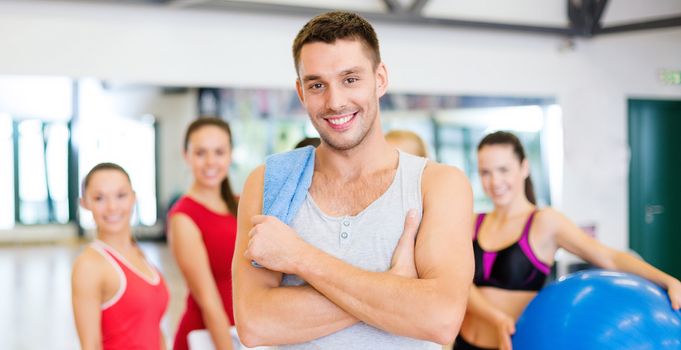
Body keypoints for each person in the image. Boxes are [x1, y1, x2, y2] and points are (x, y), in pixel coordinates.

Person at [232, 11, 473, 349]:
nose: (335, 102)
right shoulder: (270, 183)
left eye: (350, 79)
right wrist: (393, 289)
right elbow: (255, 324)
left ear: (380, 79)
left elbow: (440, 318)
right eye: (317, 85)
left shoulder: (438, 185)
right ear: (301, 93)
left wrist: (300, 257)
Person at [457, 131, 681, 350]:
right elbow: (460, 282)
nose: (495, 181)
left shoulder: (544, 222)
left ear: (524, 167)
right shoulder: (473, 222)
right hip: (462, 343)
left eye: (503, 169)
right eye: (485, 172)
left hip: (513, 344)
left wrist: (667, 281)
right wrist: (496, 318)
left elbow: (609, 257)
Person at [72, 162, 169, 350]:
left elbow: (153, 327)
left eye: (121, 195)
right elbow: (90, 345)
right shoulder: (89, 265)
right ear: (85, 203)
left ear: (133, 198)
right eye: (99, 198)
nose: (112, 207)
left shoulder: (136, 251)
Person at [168, 117, 239, 350]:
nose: (210, 162)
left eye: (219, 152)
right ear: (186, 155)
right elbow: (208, 302)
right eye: (200, 153)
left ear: (230, 154)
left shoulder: (240, 204)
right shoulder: (183, 216)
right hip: (209, 338)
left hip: (242, 333)